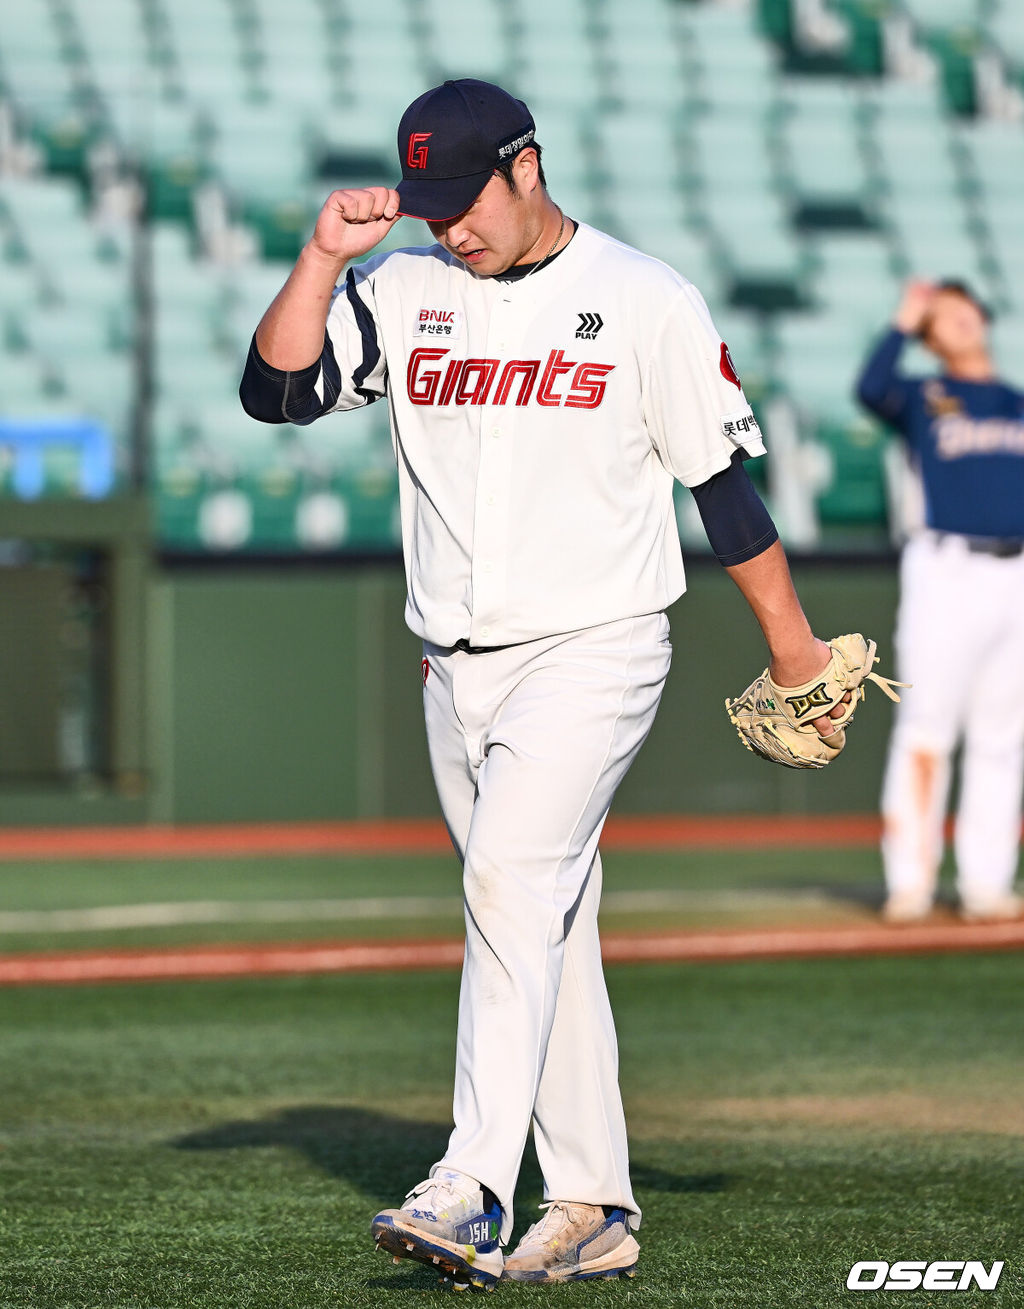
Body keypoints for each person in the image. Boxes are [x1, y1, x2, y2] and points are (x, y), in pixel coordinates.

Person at [240, 78, 844, 1288]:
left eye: (464, 198)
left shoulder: (639, 296)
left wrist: (795, 646)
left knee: (509, 883)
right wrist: (319, 258)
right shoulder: (406, 288)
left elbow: (719, 487)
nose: (447, 226)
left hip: (596, 647)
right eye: (427, 205)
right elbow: (279, 391)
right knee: (546, 929)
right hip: (451, 666)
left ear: (526, 165)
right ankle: (592, 1203)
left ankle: (469, 1181)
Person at [856, 279, 1024, 924]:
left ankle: (987, 883)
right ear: (928, 339)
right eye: (941, 317)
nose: (957, 322)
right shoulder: (925, 396)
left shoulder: (1013, 401)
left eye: (963, 309)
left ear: (983, 315)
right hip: (947, 569)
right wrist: (903, 320)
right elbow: (871, 389)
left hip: (1014, 571)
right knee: (926, 728)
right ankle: (912, 880)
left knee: (1002, 737)